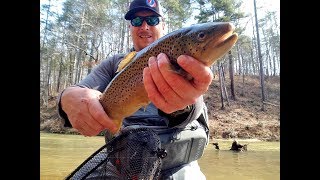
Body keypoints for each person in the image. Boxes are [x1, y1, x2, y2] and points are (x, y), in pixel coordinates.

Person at [57, 0, 213, 179]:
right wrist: (66, 98)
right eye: (137, 21)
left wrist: (182, 106)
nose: (145, 26)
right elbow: (78, 90)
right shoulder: (114, 64)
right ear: (130, 27)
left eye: (152, 20)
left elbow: (195, 108)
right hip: (122, 165)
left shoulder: (184, 58)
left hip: (179, 167)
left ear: (163, 24)